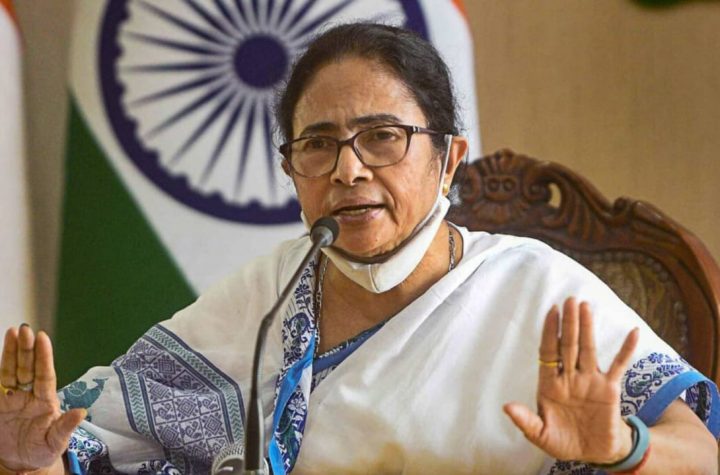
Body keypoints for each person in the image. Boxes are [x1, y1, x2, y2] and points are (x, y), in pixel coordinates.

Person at [1, 23, 718, 475]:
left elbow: (702, 456)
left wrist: (622, 448)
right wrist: (31, 461)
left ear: (449, 158)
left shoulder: (536, 289)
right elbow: (98, 446)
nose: (348, 170)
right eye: (318, 145)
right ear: (292, 171)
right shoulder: (267, 298)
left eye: (382, 137)